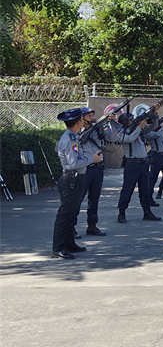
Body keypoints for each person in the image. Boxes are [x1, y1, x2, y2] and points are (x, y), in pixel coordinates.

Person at [52, 108, 101, 259]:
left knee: (71, 213)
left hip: (75, 179)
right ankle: (59, 248)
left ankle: (69, 244)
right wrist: (92, 159)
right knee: (65, 215)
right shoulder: (70, 139)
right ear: (78, 122)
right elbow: (73, 163)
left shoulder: (72, 136)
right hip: (71, 180)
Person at [74, 106, 115, 237]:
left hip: (98, 168)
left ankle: (92, 225)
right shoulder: (76, 131)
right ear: (82, 118)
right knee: (77, 199)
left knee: (94, 199)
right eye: (89, 115)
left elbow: (112, 137)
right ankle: (71, 226)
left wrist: (111, 122)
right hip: (85, 168)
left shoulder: (99, 128)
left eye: (93, 115)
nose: (93, 117)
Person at [115, 111, 161, 224]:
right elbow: (130, 139)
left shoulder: (138, 130)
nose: (132, 121)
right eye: (130, 120)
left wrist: (154, 116)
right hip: (132, 164)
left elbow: (154, 127)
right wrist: (139, 127)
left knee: (144, 189)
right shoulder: (121, 132)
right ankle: (121, 213)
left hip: (143, 164)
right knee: (127, 190)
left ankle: (147, 212)